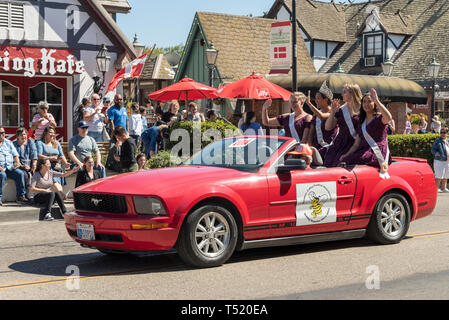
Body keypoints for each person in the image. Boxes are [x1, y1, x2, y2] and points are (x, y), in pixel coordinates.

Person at [339, 89, 393, 176]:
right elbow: (356, 144)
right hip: (364, 150)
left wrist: (377, 101)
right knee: (345, 159)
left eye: (369, 101)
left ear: (374, 104)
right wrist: (346, 154)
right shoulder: (361, 122)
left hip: (377, 151)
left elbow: (388, 117)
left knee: (359, 158)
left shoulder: (379, 118)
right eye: (364, 102)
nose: (366, 104)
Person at [323, 83, 362, 167]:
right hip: (342, 144)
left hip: (359, 143)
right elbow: (328, 127)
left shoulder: (364, 108)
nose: (341, 94)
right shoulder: (341, 110)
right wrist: (333, 112)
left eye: (344, 92)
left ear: (352, 93)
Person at [305, 83, 338, 159]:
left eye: (318, 98)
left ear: (325, 99)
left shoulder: (333, 112)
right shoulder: (315, 114)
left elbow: (322, 116)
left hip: (330, 147)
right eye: (315, 98)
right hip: (317, 147)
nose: (316, 101)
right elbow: (311, 132)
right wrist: (309, 147)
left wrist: (310, 104)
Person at [0, 127, 27, 205]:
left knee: (20, 173)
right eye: (1, 133)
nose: (3, 134)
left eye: (3, 132)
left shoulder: (8, 142)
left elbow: (15, 155)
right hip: (1, 168)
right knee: (2, 175)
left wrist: (18, 163)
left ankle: (20, 197)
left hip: (10, 167)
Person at [13, 127, 38, 195]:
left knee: (37, 173)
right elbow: (14, 159)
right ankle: (26, 194)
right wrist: (22, 166)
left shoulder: (30, 142)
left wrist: (34, 165)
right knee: (24, 175)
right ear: (17, 136)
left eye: (24, 134)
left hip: (30, 165)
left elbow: (34, 155)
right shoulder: (14, 145)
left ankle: (36, 194)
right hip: (19, 166)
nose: (23, 136)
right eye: (21, 135)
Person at [431, 127, 449, 193]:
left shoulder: (448, 140)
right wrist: (436, 153)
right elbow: (433, 150)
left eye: (444, 132)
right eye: (441, 132)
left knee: (446, 175)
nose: (442, 134)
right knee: (439, 175)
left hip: (447, 161)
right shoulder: (438, 141)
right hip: (439, 160)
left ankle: (444, 188)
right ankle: (437, 188)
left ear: (447, 133)